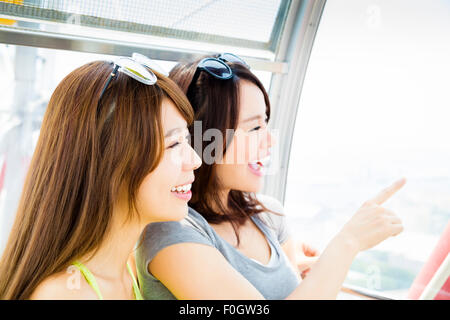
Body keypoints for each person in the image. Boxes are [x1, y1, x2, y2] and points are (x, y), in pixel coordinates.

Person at [135, 53, 406, 299]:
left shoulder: (269, 216)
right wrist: (347, 243)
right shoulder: (172, 232)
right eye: (254, 128)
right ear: (203, 138)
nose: (270, 140)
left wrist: (320, 273)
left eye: (266, 122)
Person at [0, 54, 201, 300]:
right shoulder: (67, 294)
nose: (195, 160)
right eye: (173, 144)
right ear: (110, 164)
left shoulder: (127, 272)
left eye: (187, 140)